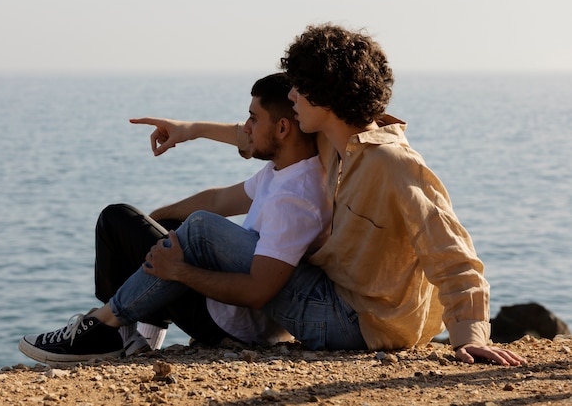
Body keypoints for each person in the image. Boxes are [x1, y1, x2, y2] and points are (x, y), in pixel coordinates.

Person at [134, 23, 526, 366]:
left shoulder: (392, 163)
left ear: (325, 95)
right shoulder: (331, 142)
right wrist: (190, 129)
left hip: (361, 322)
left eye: (300, 89)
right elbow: (260, 134)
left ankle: (118, 326)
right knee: (176, 226)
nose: (292, 97)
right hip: (341, 300)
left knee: (199, 230)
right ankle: (136, 328)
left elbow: (452, 254)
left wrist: (471, 337)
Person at [18, 73, 331, 364]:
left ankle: (106, 332)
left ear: (282, 129)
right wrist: (151, 223)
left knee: (115, 219)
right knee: (162, 227)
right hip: (232, 315)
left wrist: (179, 271)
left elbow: (258, 292)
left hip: (233, 325)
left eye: (253, 118)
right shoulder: (282, 172)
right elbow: (220, 199)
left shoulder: (295, 197)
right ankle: (139, 341)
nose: (246, 128)